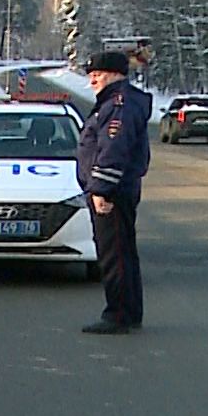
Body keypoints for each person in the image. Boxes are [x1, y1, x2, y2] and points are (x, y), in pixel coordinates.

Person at [76, 49, 152, 334]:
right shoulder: (116, 101)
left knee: (114, 254)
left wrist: (102, 190)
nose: (92, 80)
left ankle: (117, 313)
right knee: (124, 251)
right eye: (91, 75)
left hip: (113, 191)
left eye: (97, 75)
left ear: (115, 74)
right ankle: (130, 310)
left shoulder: (118, 104)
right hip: (120, 189)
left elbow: (113, 149)